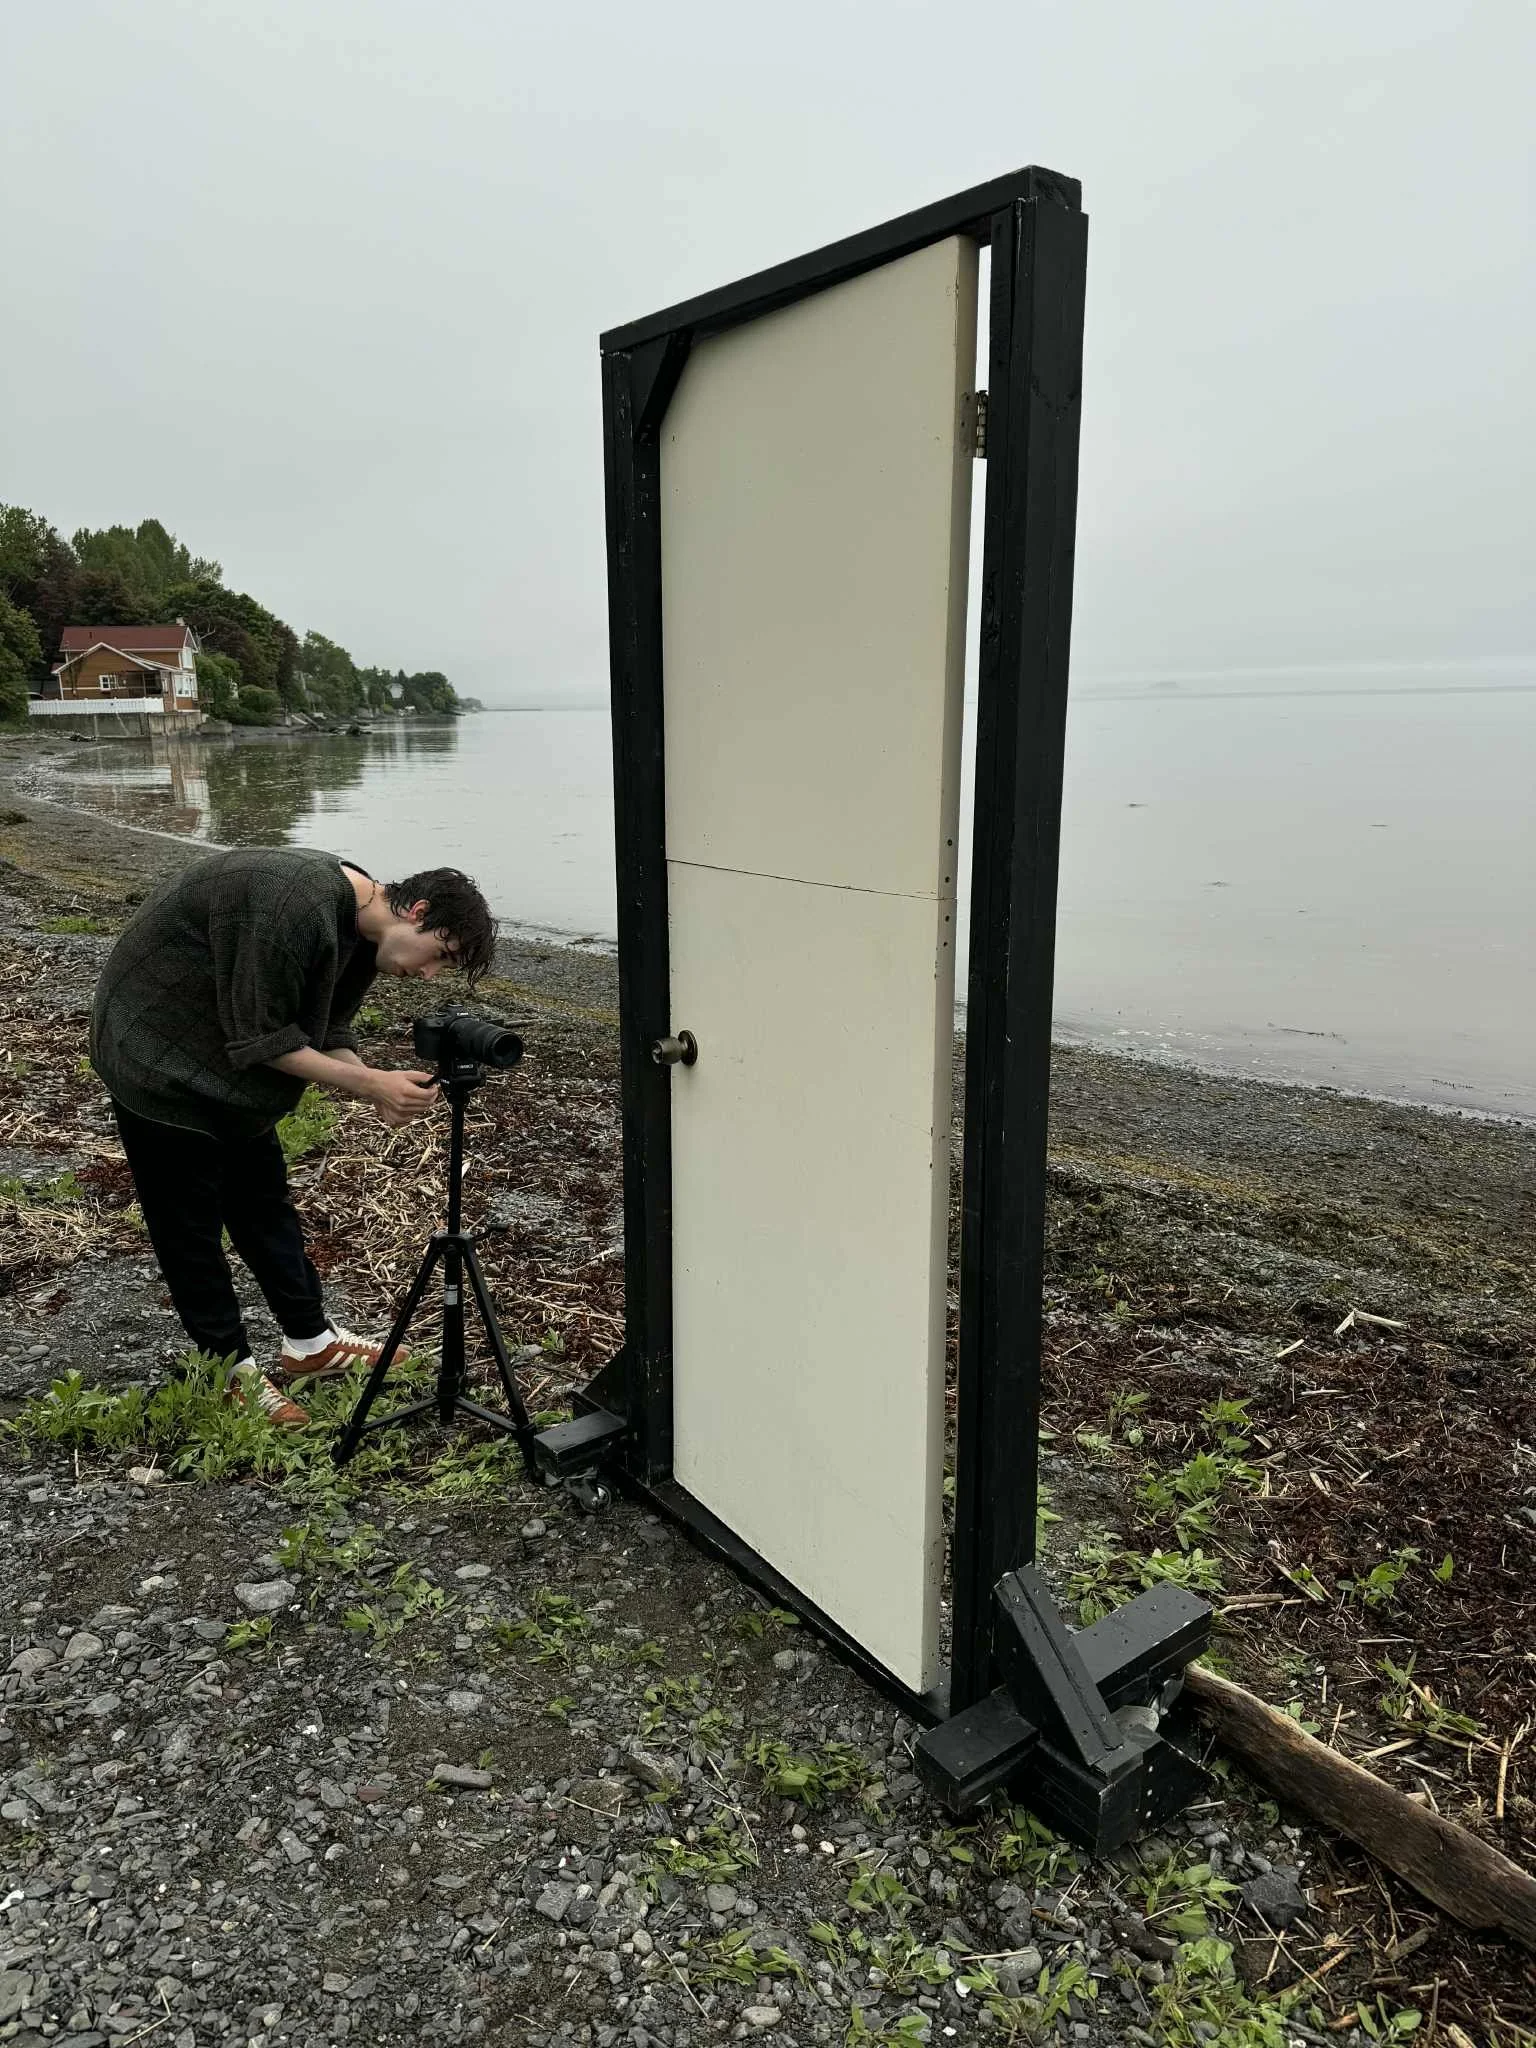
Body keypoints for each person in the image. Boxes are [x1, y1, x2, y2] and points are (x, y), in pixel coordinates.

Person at [89, 847, 497, 1428]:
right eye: (440, 955)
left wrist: (374, 1087)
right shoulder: (289, 903)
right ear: (418, 910)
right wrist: (371, 1081)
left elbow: (326, 1027)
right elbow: (265, 1040)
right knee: (189, 1225)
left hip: (227, 1061)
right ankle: (227, 1372)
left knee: (262, 1201)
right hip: (154, 1051)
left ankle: (311, 1343)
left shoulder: (359, 926)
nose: (429, 975)